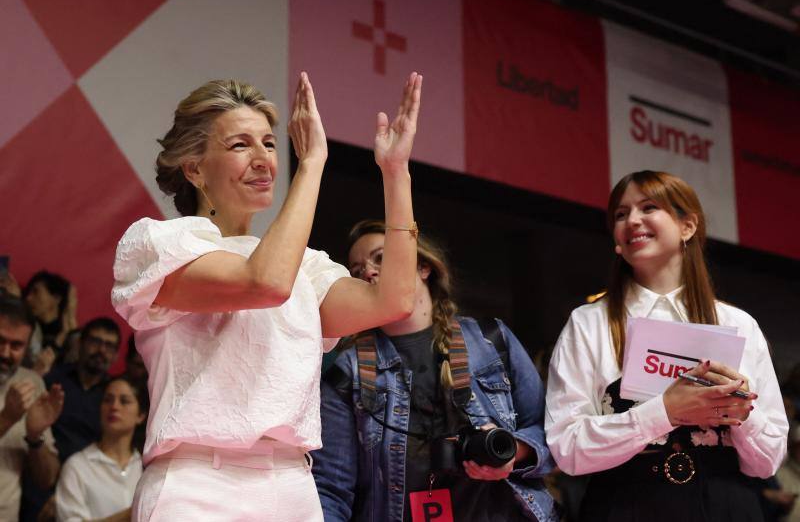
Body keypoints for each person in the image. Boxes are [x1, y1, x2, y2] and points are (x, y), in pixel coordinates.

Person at [111, 72, 422, 521]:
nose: (263, 159)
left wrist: (396, 174)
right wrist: (312, 163)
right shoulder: (160, 244)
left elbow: (394, 300)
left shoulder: (307, 266)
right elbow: (265, 284)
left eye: (270, 144)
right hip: (196, 486)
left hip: (292, 486)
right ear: (194, 168)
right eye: (240, 145)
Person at [546, 170, 788, 521]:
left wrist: (741, 415)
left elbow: (766, 464)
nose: (632, 220)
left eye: (648, 207)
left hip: (726, 505)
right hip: (624, 503)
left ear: (687, 227)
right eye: (620, 214)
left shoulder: (738, 324)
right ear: (615, 238)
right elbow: (566, 449)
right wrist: (665, 412)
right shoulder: (589, 323)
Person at [313, 220, 557, 521]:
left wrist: (512, 452)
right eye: (356, 270)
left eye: (381, 257)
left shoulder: (491, 340)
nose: (368, 272)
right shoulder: (348, 373)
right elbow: (331, 488)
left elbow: (551, 432)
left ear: (424, 267)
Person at [0, 295, 63, 522]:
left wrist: (35, 437)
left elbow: (46, 479)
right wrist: (7, 418)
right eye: (0, 341)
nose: (5, 353)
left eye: (16, 345)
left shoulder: (32, 383)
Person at [55, 375, 146, 522]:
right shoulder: (78, 467)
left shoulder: (146, 466)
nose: (114, 407)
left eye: (124, 401)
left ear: (141, 415)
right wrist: (129, 515)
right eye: (108, 400)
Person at [45, 317, 120, 463]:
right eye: (95, 342)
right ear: (80, 344)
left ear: (116, 355)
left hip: (92, 474)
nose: (101, 350)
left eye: (109, 346)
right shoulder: (54, 380)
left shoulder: (114, 395)